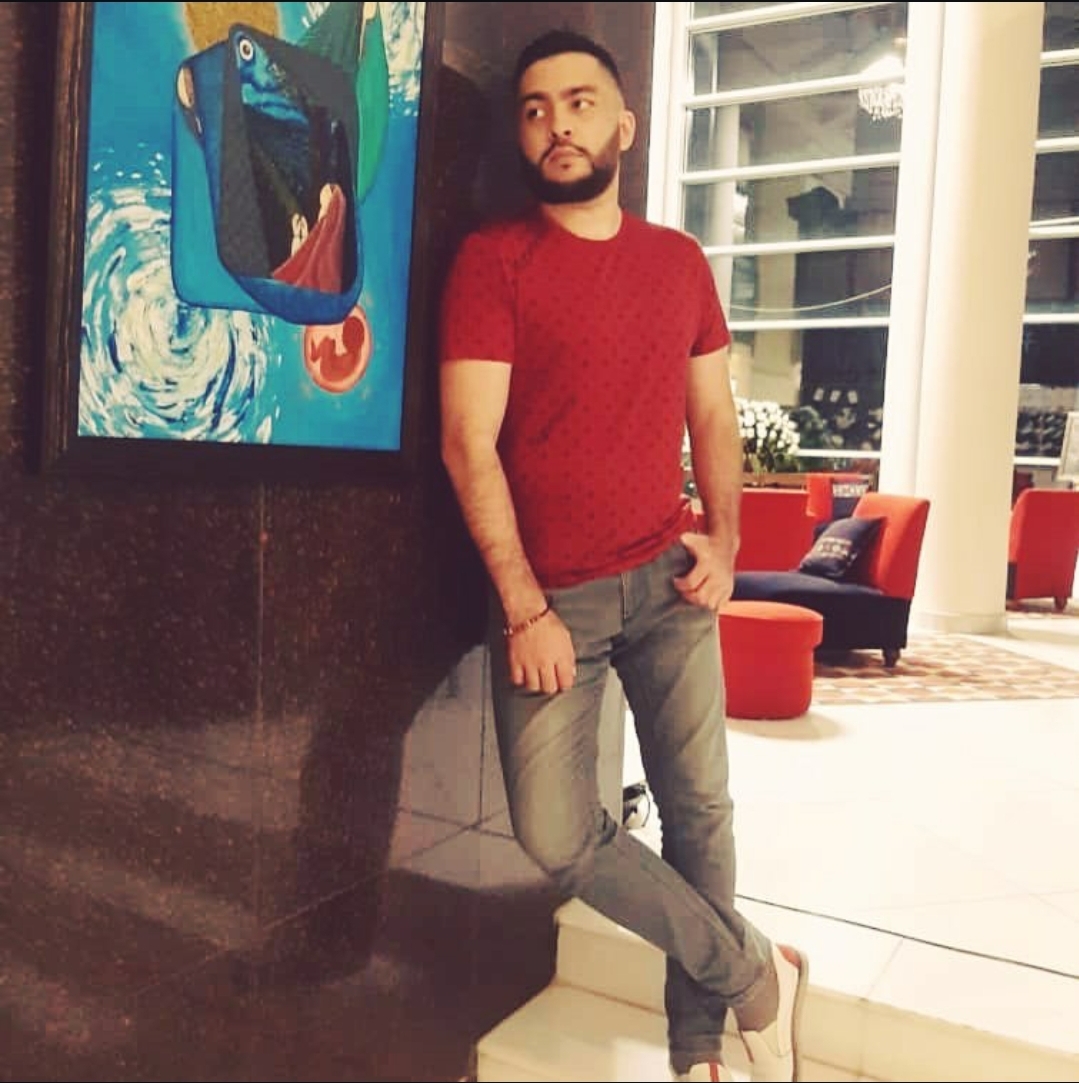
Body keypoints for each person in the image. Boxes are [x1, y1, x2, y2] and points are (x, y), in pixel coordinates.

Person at [438, 28, 808, 1083]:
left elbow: (712, 414)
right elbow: (468, 442)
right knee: (556, 837)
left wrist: (725, 537)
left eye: (579, 102)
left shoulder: (676, 262)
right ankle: (753, 973)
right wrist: (523, 605)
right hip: (552, 603)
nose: (557, 124)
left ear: (623, 126)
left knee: (698, 815)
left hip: (669, 583)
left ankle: (698, 1047)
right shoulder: (493, 261)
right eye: (535, 109)